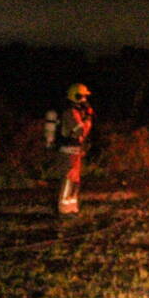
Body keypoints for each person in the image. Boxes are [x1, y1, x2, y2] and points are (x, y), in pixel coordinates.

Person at [56, 82, 94, 216]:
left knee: (75, 180)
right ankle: (64, 208)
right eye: (82, 97)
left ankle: (72, 207)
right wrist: (88, 119)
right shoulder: (70, 112)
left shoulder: (76, 111)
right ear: (76, 96)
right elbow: (80, 131)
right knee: (68, 179)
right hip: (68, 151)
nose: (85, 100)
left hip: (74, 150)